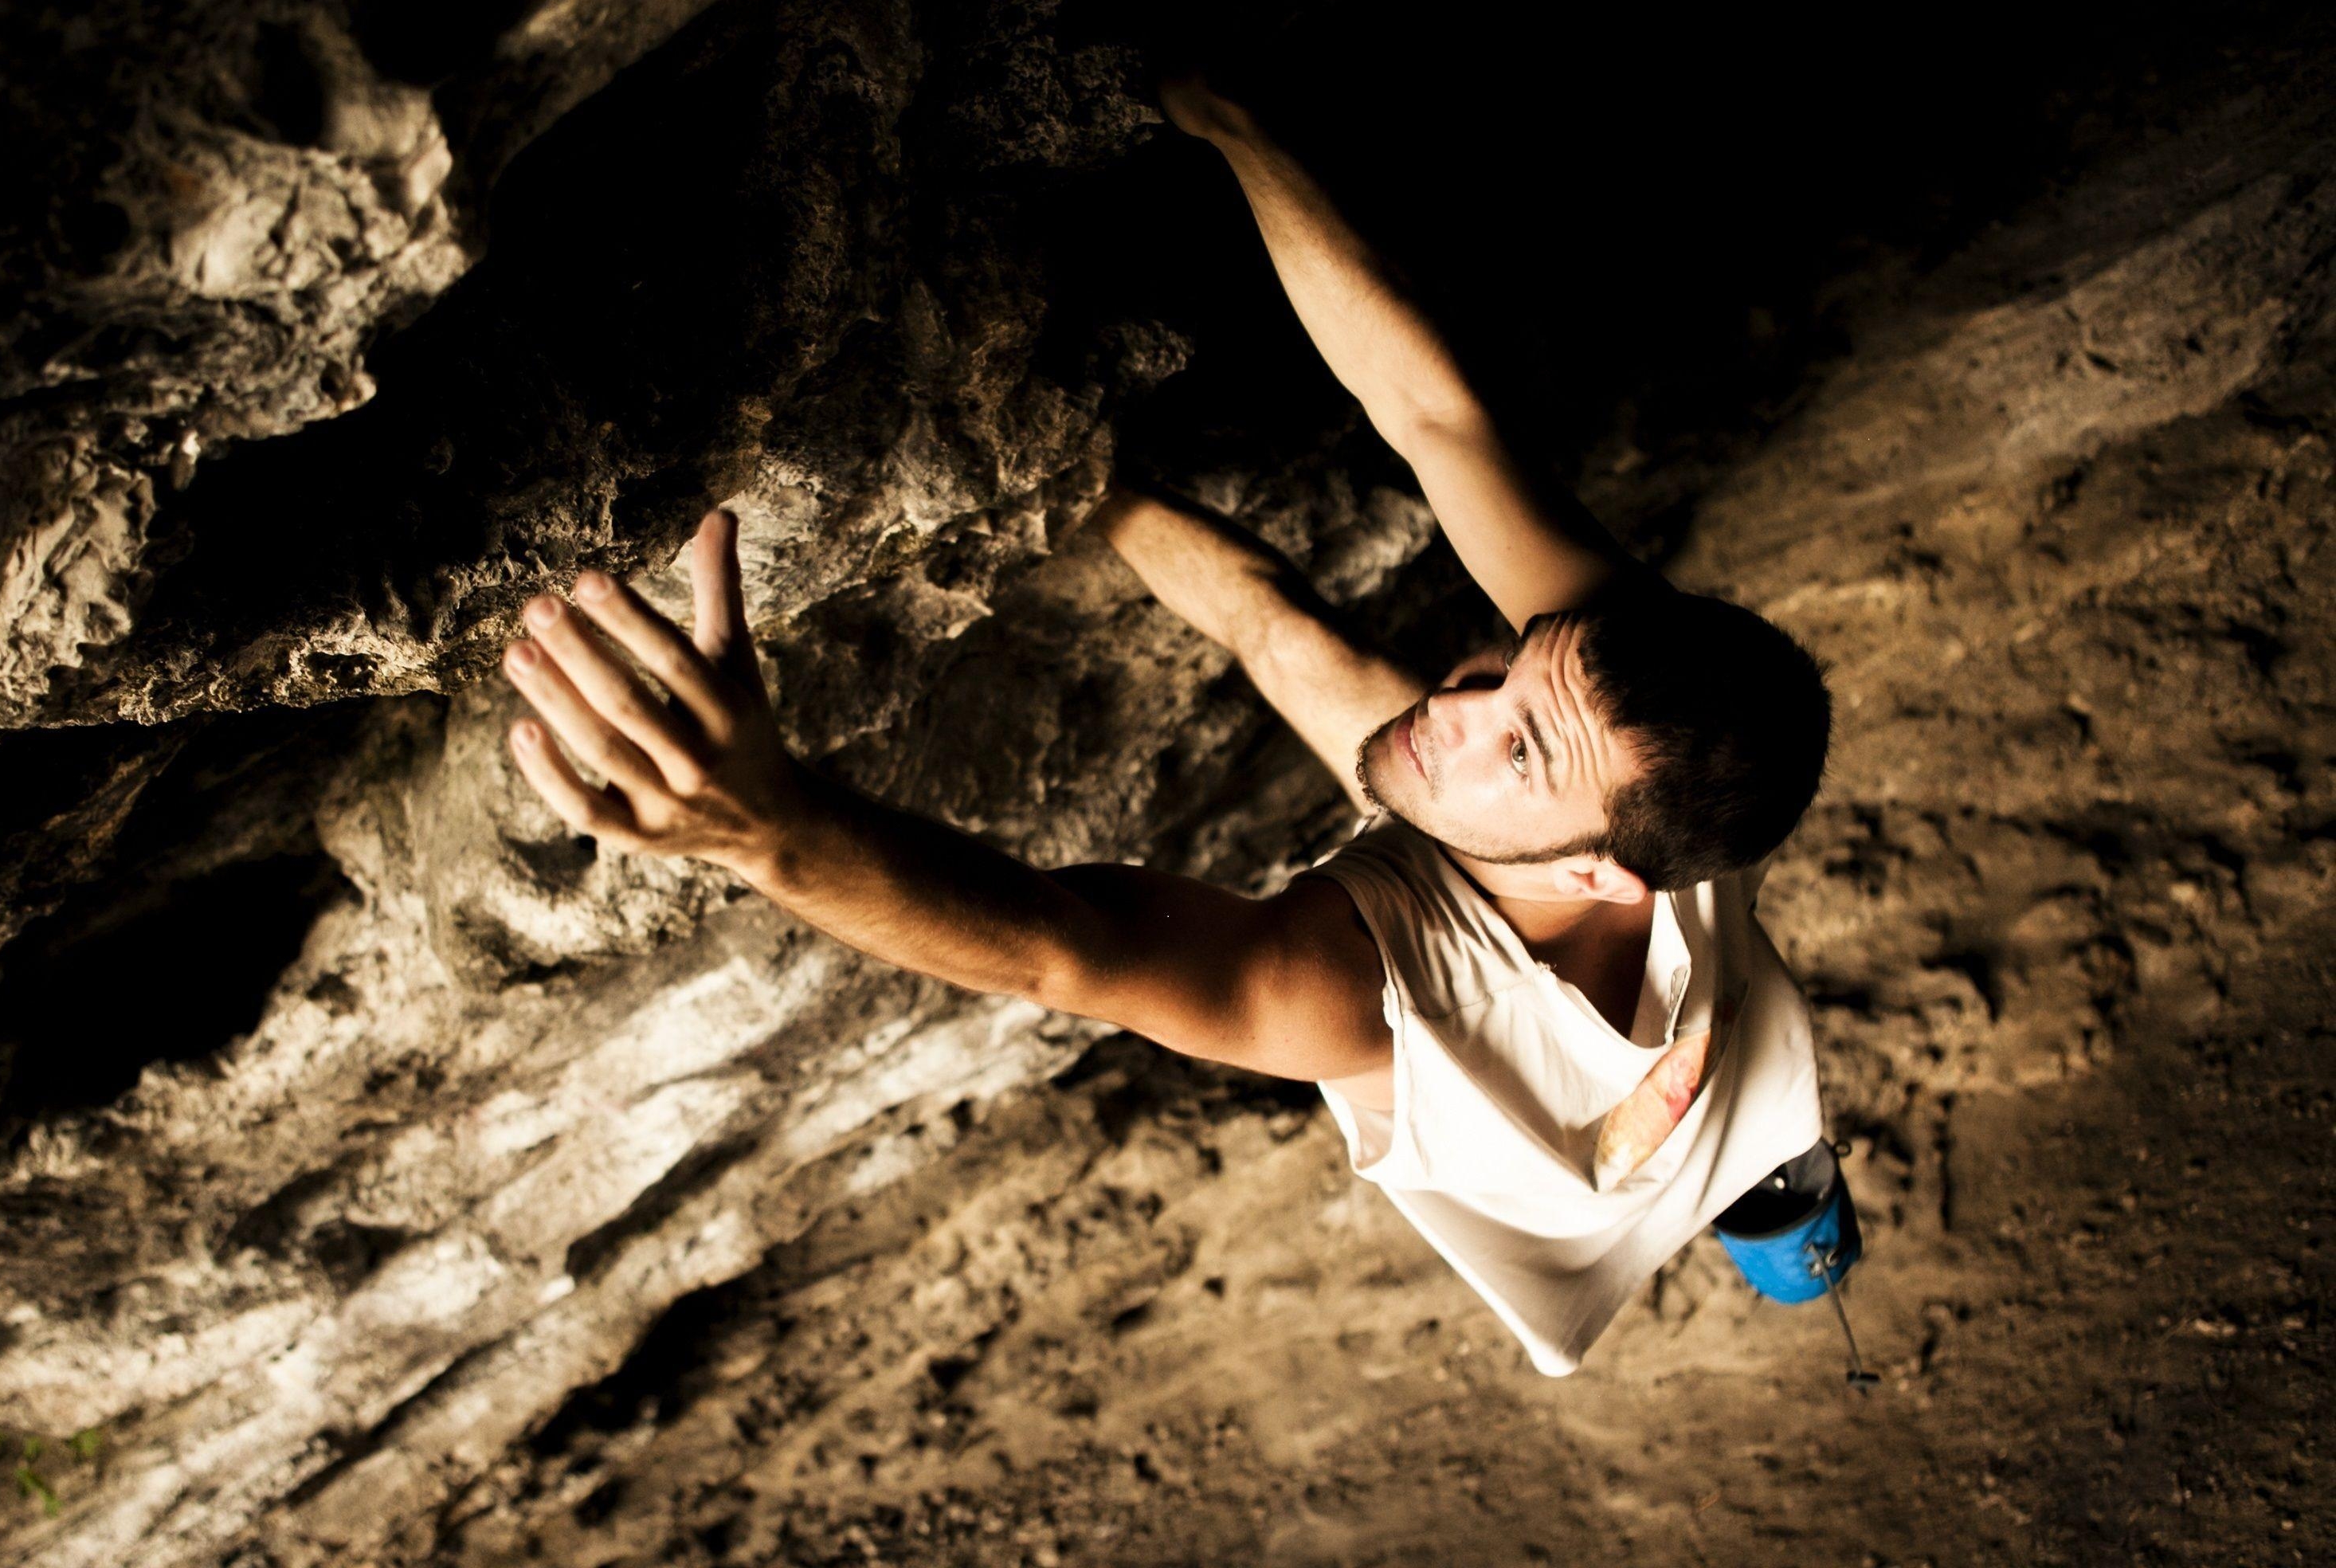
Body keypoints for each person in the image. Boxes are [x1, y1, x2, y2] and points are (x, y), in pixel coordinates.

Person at [496, 76, 1834, 1375]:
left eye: (1517, 745)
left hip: (1595, 1183)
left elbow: (1067, 950)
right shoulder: (1631, 726)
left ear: (1601, 871)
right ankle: (1782, 1186)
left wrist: (768, 829)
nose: (1457, 706)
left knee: (1764, 1163)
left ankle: (1789, 1211)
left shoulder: (1379, 1008)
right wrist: (1229, 116)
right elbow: (1430, 420)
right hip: (1698, 1012)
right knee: (1300, 644)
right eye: (1501, 675)